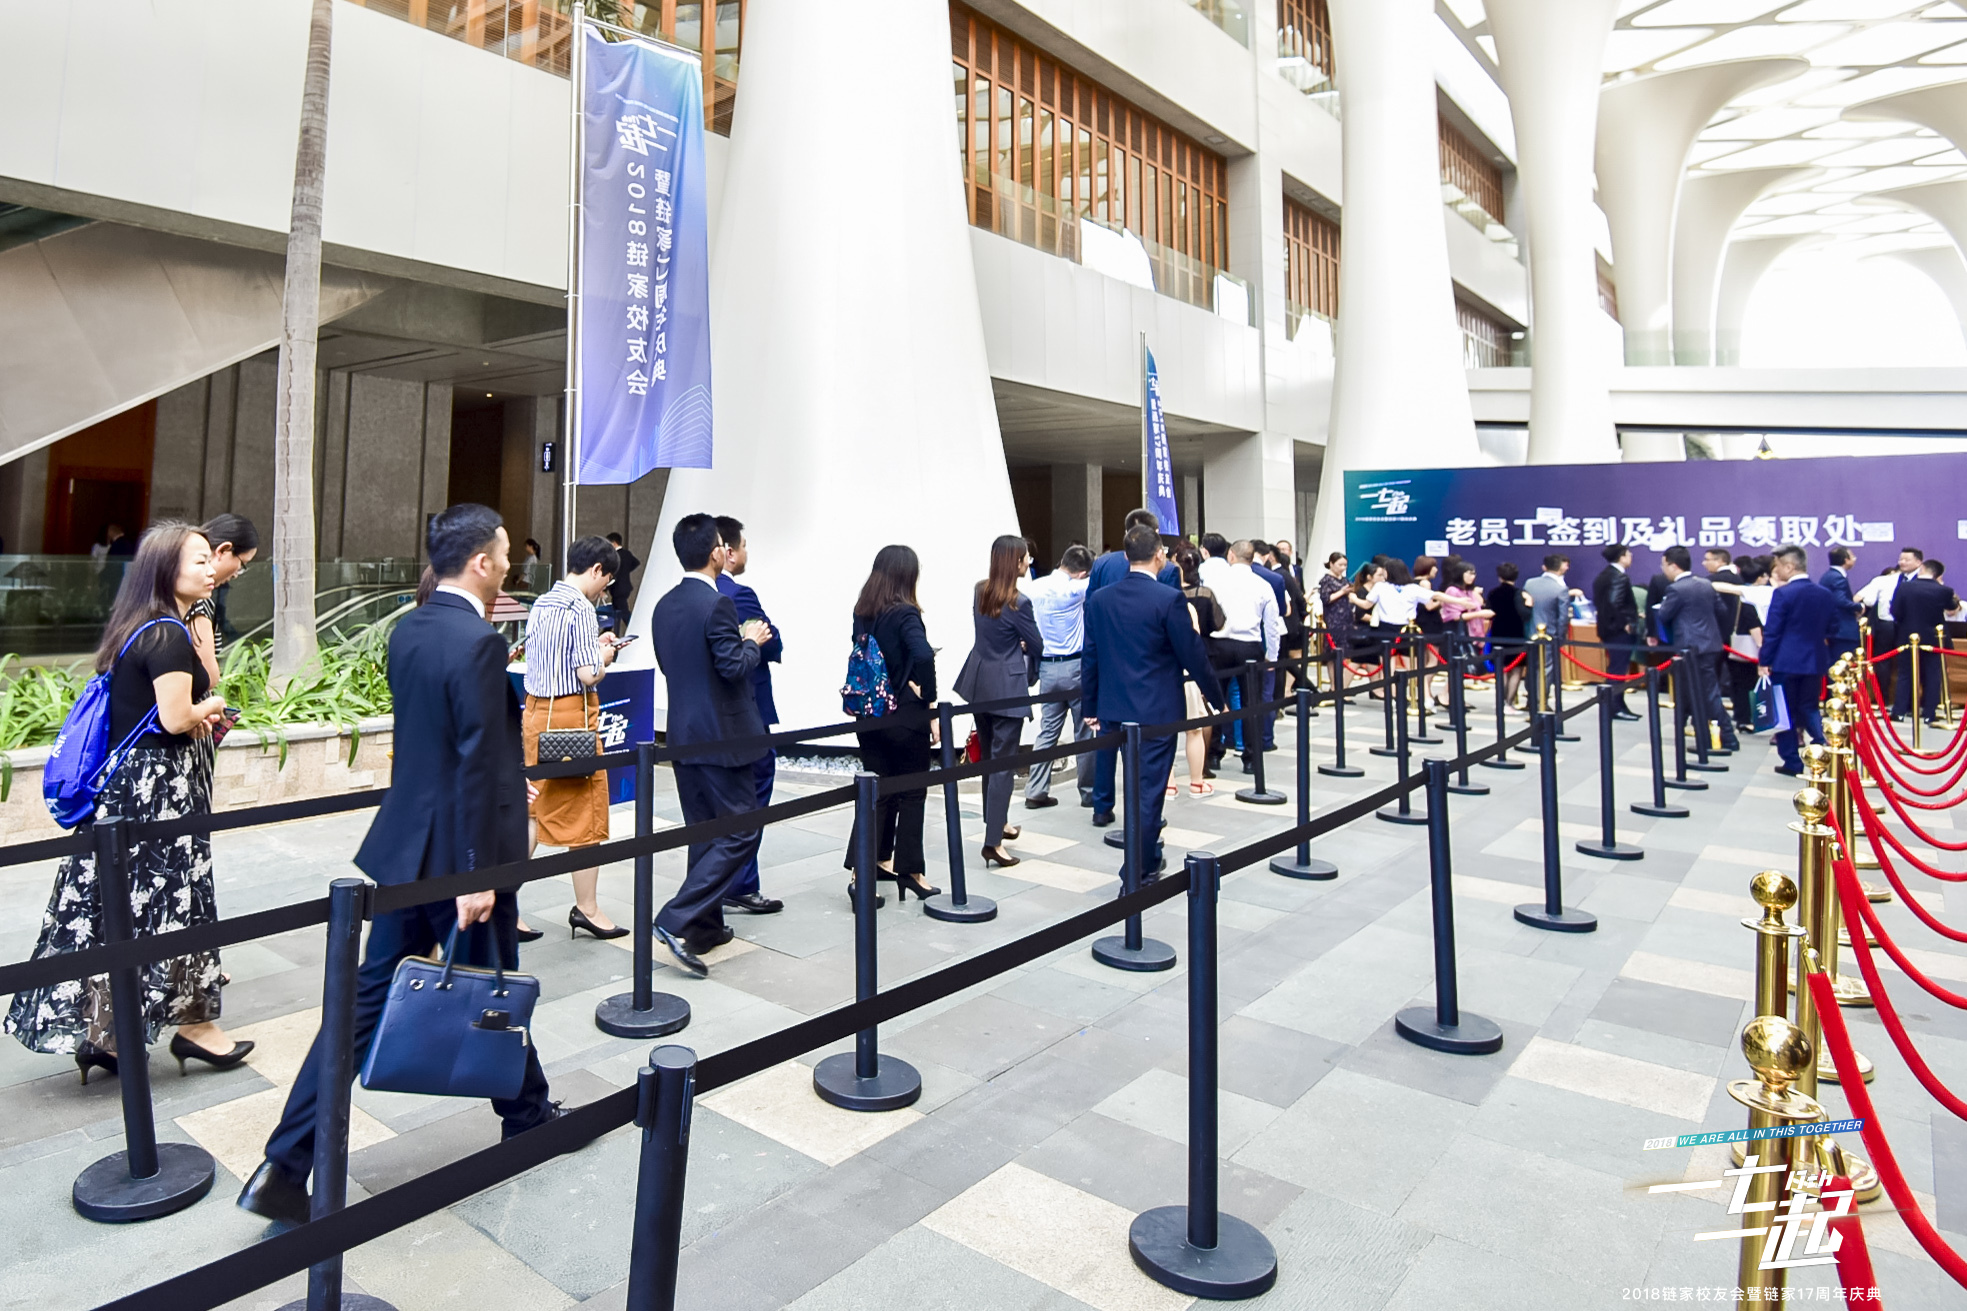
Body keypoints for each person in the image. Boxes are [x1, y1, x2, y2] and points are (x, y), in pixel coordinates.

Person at [238, 505, 556, 1227]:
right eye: (505, 551)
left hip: (407, 845)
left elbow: (438, 747)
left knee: (370, 1003)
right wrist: (475, 874)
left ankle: (284, 1163)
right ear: (481, 561)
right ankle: (528, 1117)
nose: (511, 562)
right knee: (490, 988)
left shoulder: (411, 628)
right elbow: (472, 760)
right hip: (458, 857)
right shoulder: (478, 641)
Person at [7, 524, 246, 1084]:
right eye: (197, 560)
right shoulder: (167, 635)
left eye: (209, 559)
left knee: (113, 906)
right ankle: (195, 1027)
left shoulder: (138, 626)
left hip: (128, 791)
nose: (210, 568)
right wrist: (212, 706)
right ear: (165, 569)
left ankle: (105, 1036)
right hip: (159, 791)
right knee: (177, 902)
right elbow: (175, 718)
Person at [646, 515, 774, 975]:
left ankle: (705, 928)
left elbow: (672, 666)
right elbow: (732, 667)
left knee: (703, 831)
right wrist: (751, 641)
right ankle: (676, 918)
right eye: (722, 544)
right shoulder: (717, 603)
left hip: (684, 734)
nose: (726, 550)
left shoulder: (663, 605)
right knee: (741, 828)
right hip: (723, 736)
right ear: (716, 552)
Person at [1083, 526, 1224, 879]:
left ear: (1126, 556)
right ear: (1159, 555)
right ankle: (1138, 870)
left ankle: (1146, 858)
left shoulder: (1100, 599)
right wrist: (1215, 696)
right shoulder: (1168, 598)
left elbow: (1091, 655)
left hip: (1115, 706)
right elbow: (1191, 652)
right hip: (1156, 708)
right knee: (1149, 792)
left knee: (1135, 787)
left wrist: (1090, 707)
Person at [521, 534, 626, 939]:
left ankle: (501, 902)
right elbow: (587, 674)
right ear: (597, 569)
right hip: (570, 719)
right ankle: (587, 908)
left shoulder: (544, 602)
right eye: (607, 580)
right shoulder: (581, 607)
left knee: (532, 811)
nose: (605, 589)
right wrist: (605, 656)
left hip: (537, 713)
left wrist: (592, 647)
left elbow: (554, 658)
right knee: (587, 812)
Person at [844, 545, 939, 901]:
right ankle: (910, 872)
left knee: (876, 794)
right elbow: (923, 654)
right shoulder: (906, 613)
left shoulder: (862, 611)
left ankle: (864, 871)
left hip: (870, 715)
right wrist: (927, 695)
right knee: (912, 792)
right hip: (905, 717)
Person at [713, 516, 787, 917]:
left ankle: (716, 882)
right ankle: (740, 883)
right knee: (753, 793)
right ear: (728, 552)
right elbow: (771, 642)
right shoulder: (739, 595)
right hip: (747, 712)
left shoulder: (688, 596)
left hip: (711, 717)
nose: (745, 553)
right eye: (743, 546)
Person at [1086, 509, 1180, 823]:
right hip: (1147, 669)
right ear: (1155, 536)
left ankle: (1102, 807)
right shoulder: (1166, 568)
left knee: (1106, 739)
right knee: (1142, 748)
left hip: (1107, 664)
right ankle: (1142, 812)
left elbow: (1089, 607)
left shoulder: (1102, 563)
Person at [957, 535, 1043, 867]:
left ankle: (997, 821)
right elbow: (1037, 644)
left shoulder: (980, 590)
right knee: (1003, 763)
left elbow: (989, 633)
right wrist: (1022, 645)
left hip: (979, 681)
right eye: (1025, 558)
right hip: (1007, 687)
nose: (1028, 562)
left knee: (989, 761)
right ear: (1015, 562)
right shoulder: (1020, 603)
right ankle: (993, 842)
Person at [1021, 544, 1095, 811]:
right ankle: (1089, 792)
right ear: (1082, 573)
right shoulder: (1076, 589)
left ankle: (1036, 791)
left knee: (1048, 732)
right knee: (1085, 732)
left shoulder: (1034, 588)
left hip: (1047, 668)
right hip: (1075, 666)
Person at [1758, 544, 1840, 776]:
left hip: (1786, 661)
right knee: (1809, 707)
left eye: (1777, 566)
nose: (1776, 571)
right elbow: (1834, 627)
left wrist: (1764, 660)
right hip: (1815, 660)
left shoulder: (1783, 594)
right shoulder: (1824, 593)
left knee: (1784, 711)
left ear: (1789, 566)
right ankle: (1826, 744)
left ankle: (1792, 761)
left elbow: (1773, 631)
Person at [1657, 544, 1741, 754]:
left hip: (1690, 647)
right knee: (1700, 692)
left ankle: (1727, 737)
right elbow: (1721, 610)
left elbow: (1664, 615)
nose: (1663, 570)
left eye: (1664, 565)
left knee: (1707, 693)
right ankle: (1705, 737)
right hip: (1710, 644)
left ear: (1673, 566)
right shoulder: (1705, 584)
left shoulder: (1676, 589)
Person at [1210, 540, 1282, 774]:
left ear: (1231, 555)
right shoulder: (1262, 585)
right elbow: (1271, 624)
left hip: (1220, 644)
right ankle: (1251, 758)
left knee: (1216, 701)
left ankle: (1213, 754)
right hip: (1250, 646)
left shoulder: (1216, 581)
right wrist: (1272, 655)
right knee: (1252, 703)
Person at [1176, 545, 1227, 794]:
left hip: (1169, 665)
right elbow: (1218, 622)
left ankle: (1169, 784)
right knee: (1198, 719)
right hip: (1200, 655)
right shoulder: (1203, 595)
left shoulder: (1167, 599)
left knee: (1163, 729)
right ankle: (1200, 773)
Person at [186, 514, 258, 687]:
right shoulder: (197, 601)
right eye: (242, 564)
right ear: (222, 550)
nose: (236, 574)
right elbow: (208, 677)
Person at [1891, 559, 1959, 725]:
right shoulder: (1944, 590)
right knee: (1933, 675)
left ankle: (1899, 712)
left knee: (1905, 674)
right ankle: (1929, 713)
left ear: (1921, 568)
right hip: (1934, 638)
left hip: (1908, 636)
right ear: (1938, 575)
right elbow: (1952, 607)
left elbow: (1895, 611)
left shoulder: (1904, 587)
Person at [1520, 554, 1578, 713]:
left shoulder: (1530, 583)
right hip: (1549, 634)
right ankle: (1541, 701)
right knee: (1546, 669)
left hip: (1530, 632)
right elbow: (1563, 617)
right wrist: (1560, 636)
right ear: (1560, 567)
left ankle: (1531, 699)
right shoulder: (1560, 589)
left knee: (1532, 667)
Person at [1591, 543, 1641, 719]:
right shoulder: (1619, 577)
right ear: (1621, 556)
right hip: (1618, 630)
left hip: (1607, 628)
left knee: (1616, 667)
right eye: (1628, 554)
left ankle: (1618, 704)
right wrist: (1625, 622)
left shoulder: (1603, 575)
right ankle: (1614, 707)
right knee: (1618, 669)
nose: (1631, 556)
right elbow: (1614, 602)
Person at [1489, 562, 1527, 708]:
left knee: (1501, 669)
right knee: (1516, 670)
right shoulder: (1520, 594)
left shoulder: (1493, 593)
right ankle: (1509, 703)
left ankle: (1500, 703)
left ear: (1500, 577)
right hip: (1517, 634)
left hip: (1498, 633)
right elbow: (1525, 614)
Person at [1316, 552, 1356, 686]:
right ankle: (1334, 685)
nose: (1343, 568)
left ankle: (1341, 684)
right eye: (1340, 565)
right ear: (1331, 564)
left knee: (1345, 653)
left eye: (1345, 565)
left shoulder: (1344, 580)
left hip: (1346, 619)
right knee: (1333, 654)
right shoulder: (1326, 580)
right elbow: (1326, 599)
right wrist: (1342, 592)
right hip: (1333, 619)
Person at [1820, 546, 1862, 664]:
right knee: (1843, 665)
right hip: (1843, 631)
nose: (1854, 559)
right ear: (1846, 560)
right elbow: (1840, 600)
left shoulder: (1828, 575)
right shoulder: (1838, 577)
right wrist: (1859, 606)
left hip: (1834, 629)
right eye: (1852, 556)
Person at [603, 531, 641, 632]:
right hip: (625, 587)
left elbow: (613, 575)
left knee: (623, 611)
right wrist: (625, 571)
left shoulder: (615, 556)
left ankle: (634, 629)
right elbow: (636, 563)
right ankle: (607, 631)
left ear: (614, 543)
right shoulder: (627, 554)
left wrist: (604, 588)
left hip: (618, 588)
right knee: (616, 610)